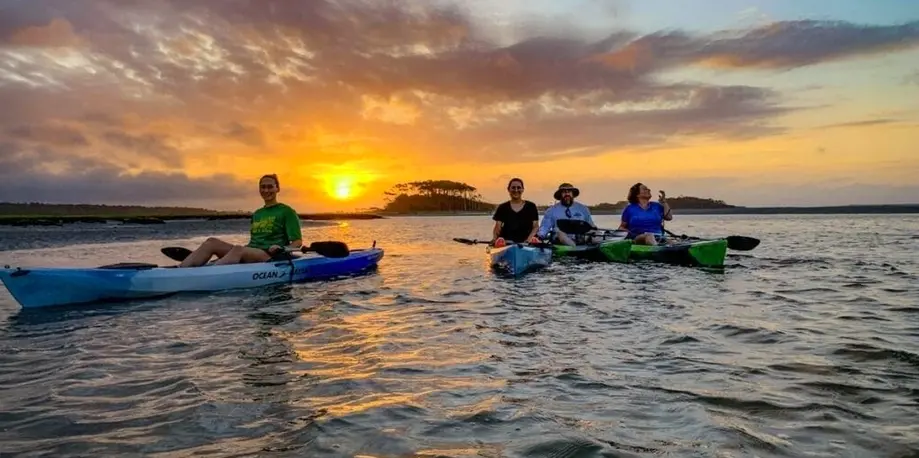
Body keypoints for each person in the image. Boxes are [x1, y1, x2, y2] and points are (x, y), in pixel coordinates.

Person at [179, 174, 303, 267]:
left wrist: (282, 248)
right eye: (263, 187)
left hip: (270, 256)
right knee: (211, 242)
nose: (266, 190)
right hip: (250, 252)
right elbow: (254, 242)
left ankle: (209, 272)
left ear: (277, 189)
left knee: (238, 249)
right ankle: (180, 270)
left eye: (270, 187)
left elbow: (297, 242)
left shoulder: (287, 211)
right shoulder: (257, 213)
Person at [491, 178, 541, 246]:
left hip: (527, 242)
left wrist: (528, 240)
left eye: (519, 188)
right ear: (508, 190)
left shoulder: (531, 206)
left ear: (523, 189)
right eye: (513, 188)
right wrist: (494, 239)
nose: (516, 190)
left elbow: (535, 227)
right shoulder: (502, 207)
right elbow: (497, 227)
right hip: (506, 242)